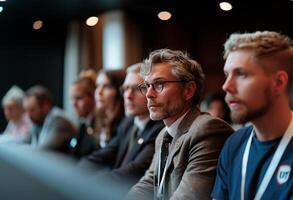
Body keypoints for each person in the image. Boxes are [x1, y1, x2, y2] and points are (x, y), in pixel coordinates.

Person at [128, 49, 234, 200]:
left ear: (188, 90)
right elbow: (147, 184)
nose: (149, 94)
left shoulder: (207, 130)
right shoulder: (163, 135)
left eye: (159, 84)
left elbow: (188, 197)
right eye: (147, 86)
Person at [211, 31, 293, 200]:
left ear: (278, 82)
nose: (226, 86)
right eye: (227, 75)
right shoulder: (234, 144)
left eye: (241, 74)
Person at [79, 63, 164, 190]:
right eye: (125, 89)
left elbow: (133, 171)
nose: (128, 96)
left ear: (151, 92)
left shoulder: (159, 128)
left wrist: (86, 184)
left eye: (136, 89)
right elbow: (101, 156)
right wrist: (70, 174)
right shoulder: (128, 122)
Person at [23, 85, 76, 153]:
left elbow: (43, 152)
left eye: (32, 110)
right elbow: (25, 142)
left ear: (45, 106)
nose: (28, 115)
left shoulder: (61, 123)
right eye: (26, 111)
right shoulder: (37, 122)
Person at [94, 69, 126, 148]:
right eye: (97, 86)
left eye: (106, 86)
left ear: (119, 91)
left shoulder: (125, 124)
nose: (99, 92)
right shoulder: (97, 119)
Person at [70, 77, 97, 158]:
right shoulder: (83, 124)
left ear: (93, 97)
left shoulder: (100, 125)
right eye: (72, 98)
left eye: (78, 98)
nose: (74, 104)